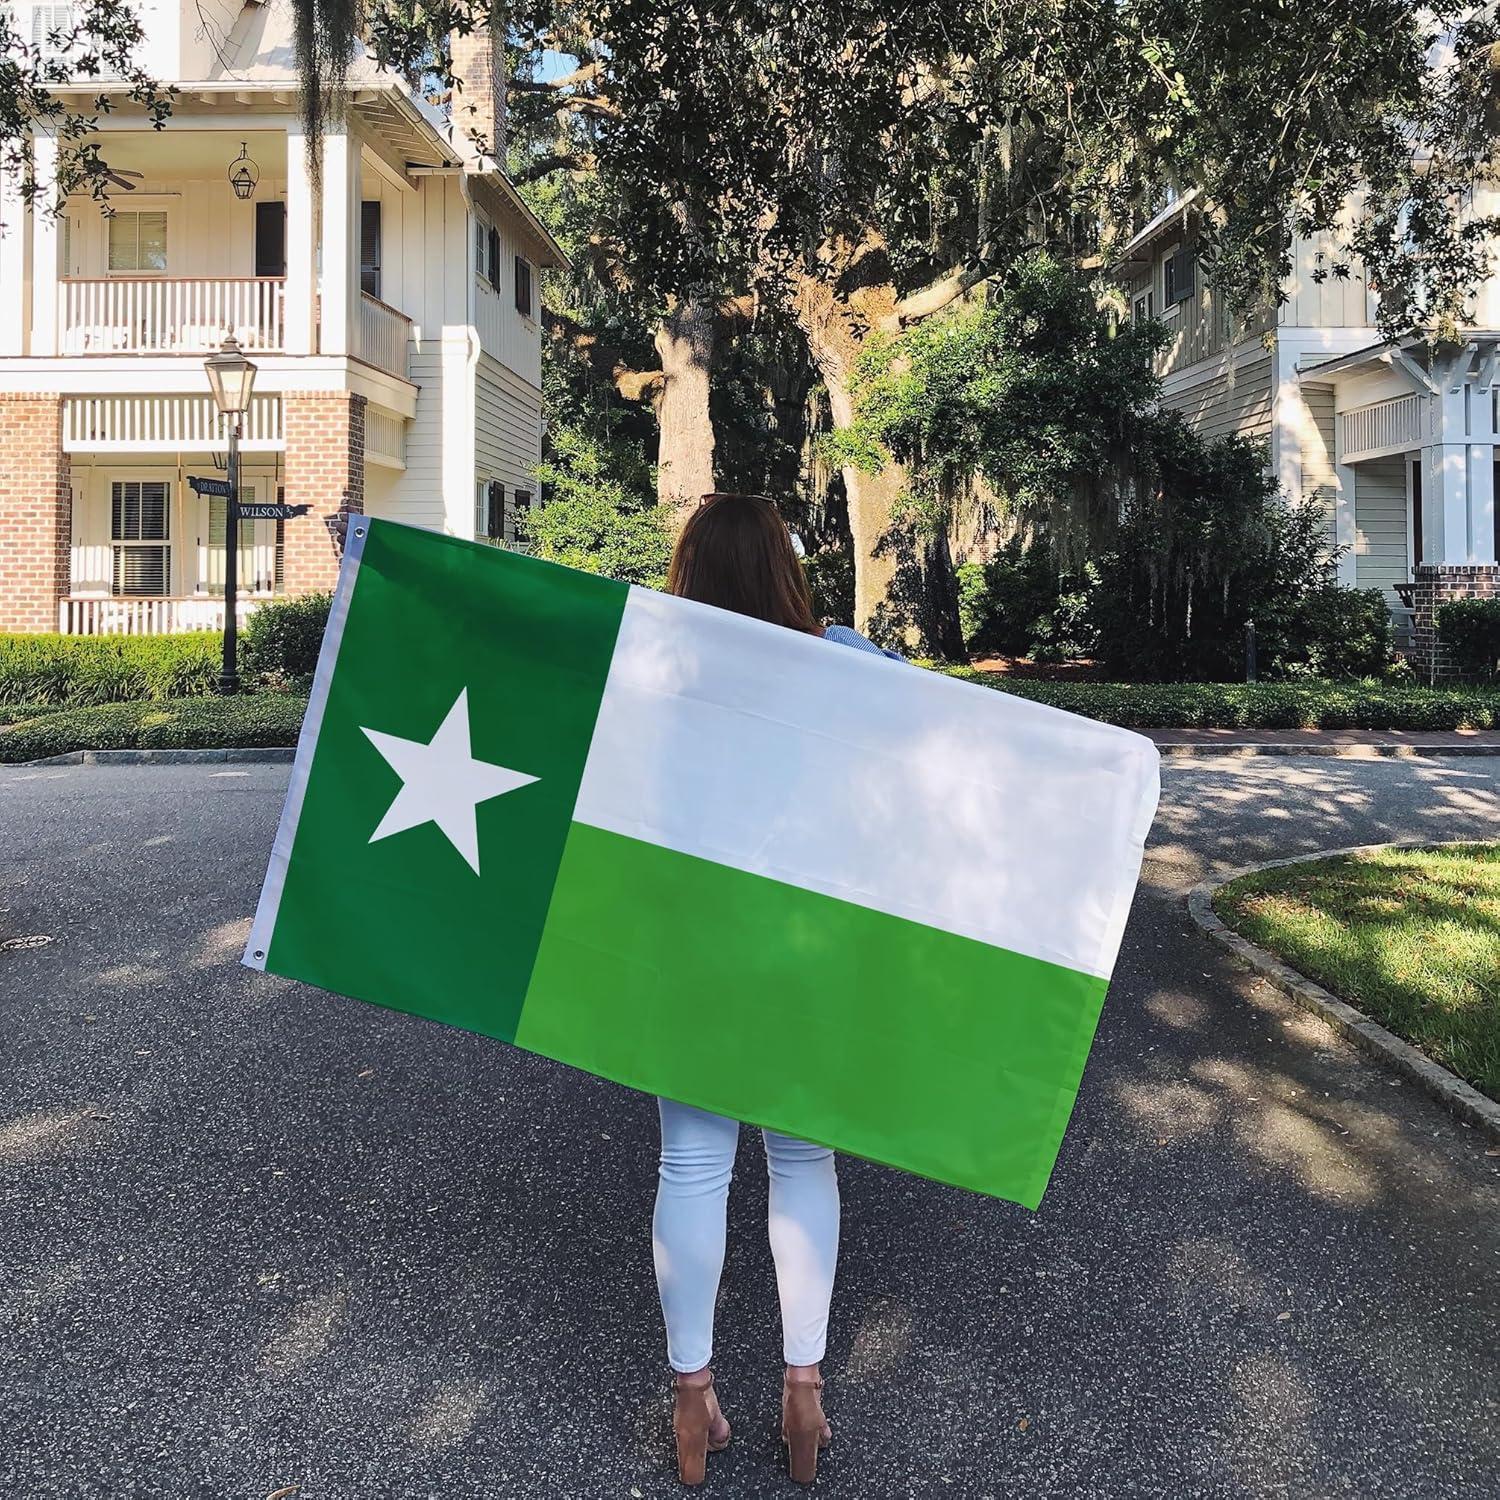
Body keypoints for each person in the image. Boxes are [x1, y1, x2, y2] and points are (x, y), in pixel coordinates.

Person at [653, 492, 901, 1487]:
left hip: (694, 956)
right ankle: (803, 1390)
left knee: (692, 1166)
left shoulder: (655, 673)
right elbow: (930, 726)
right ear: (786, 572)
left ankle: (691, 1398)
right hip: (806, 952)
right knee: (803, 1163)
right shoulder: (840, 661)